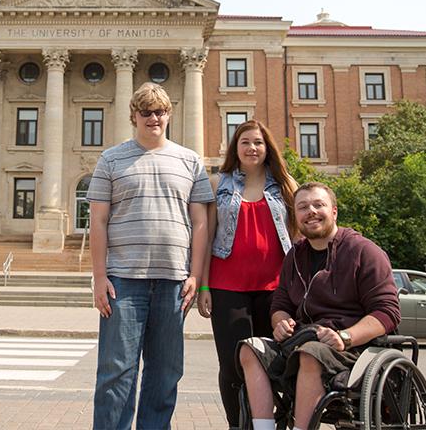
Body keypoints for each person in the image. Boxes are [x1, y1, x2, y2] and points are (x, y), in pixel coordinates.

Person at [88, 82, 215, 430]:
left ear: (169, 114)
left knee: (165, 373)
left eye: (160, 111)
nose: (153, 118)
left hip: (174, 281)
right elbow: (97, 220)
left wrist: (196, 276)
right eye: (146, 112)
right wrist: (99, 277)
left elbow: (200, 222)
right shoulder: (111, 159)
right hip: (123, 282)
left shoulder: (190, 161)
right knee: (117, 372)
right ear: (134, 116)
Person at [237, 182, 400, 430]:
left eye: (318, 204)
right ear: (296, 216)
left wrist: (345, 336)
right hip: (303, 340)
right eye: (302, 207)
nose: (310, 211)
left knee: (311, 354)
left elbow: (387, 312)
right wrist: (280, 321)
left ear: (334, 211)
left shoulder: (363, 251)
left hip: (352, 347)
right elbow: (280, 303)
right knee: (250, 349)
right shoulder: (294, 256)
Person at [196, 119, 299, 429]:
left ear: (267, 148)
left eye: (258, 142)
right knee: (232, 365)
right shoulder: (219, 183)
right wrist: (203, 287)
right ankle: (237, 424)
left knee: (275, 363)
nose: (252, 148)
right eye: (245, 142)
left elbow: (299, 237)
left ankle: (271, 422)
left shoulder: (285, 184)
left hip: (275, 290)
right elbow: (207, 235)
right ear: (235, 148)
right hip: (227, 287)